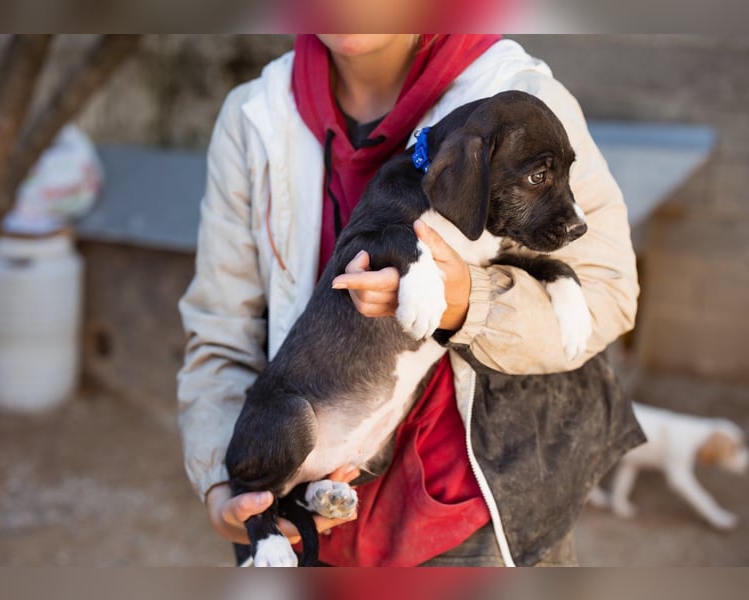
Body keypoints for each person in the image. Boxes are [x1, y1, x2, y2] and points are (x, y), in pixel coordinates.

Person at [177, 34, 643, 566]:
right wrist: (224, 486)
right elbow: (220, 326)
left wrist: (471, 304)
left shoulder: (520, 96)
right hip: (311, 489)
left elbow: (611, 294)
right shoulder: (254, 116)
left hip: (481, 520)